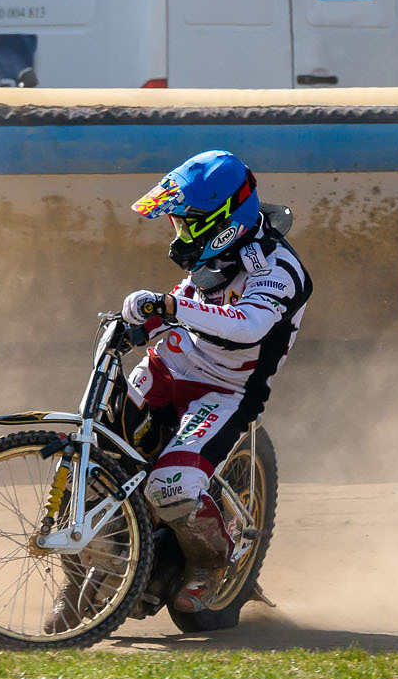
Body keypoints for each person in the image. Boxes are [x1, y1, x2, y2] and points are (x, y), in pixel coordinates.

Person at [116, 148, 312, 611]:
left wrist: (170, 307)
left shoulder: (278, 268)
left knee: (171, 486)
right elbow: (186, 302)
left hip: (226, 392)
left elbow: (247, 326)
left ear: (223, 220)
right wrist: (141, 321)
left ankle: (211, 564)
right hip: (167, 367)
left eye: (187, 224)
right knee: (100, 451)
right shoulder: (220, 249)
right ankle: (86, 569)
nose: (179, 235)